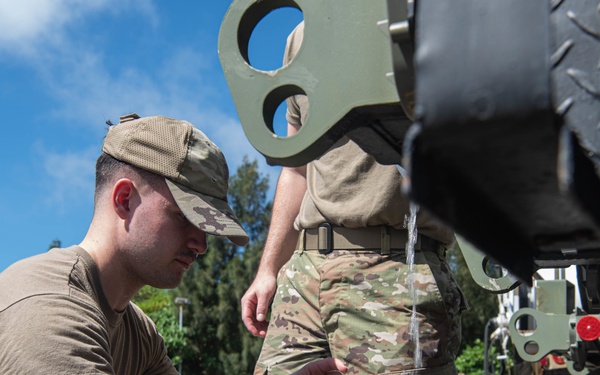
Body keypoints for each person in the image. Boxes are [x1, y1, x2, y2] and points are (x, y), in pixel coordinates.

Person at [241, 22, 467, 374]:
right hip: (303, 274)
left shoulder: (430, 16)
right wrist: (268, 269)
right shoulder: (301, 36)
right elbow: (296, 168)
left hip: (394, 273)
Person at [0, 113, 250, 374]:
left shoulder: (141, 337)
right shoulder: (50, 312)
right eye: (185, 216)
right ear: (124, 200)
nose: (201, 245)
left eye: (206, 228)